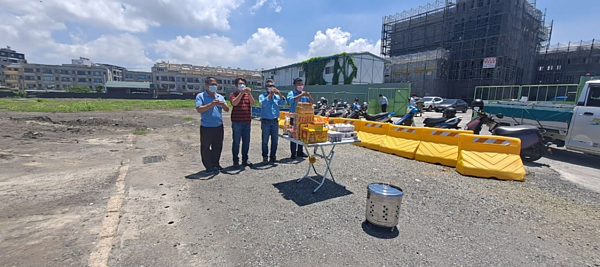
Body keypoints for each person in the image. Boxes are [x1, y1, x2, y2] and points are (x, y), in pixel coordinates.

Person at [195, 77, 229, 174]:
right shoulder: (200, 96)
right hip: (206, 127)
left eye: (215, 84)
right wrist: (211, 104)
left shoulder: (219, 96)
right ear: (206, 85)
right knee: (205, 147)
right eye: (212, 84)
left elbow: (227, 109)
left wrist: (223, 104)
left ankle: (216, 164)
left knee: (217, 146)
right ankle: (208, 166)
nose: (214, 86)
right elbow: (199, 109)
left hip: (218, 126)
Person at [259, 79, 287, 163]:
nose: (271, 87)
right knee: (265, 141)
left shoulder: (276, 97)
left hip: (275, 121)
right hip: (265, 122)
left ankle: (273, 156)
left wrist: (279, 93)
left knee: (275, 141)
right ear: (266, 88)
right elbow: (263, 104)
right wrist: (269, 95)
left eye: (272, 86)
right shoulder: (262, 96)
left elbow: (284, 102)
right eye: (269, 86)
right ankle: (265, 156)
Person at [229, 78, 255, 167]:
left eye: (243, 84)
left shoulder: (248, 95)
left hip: (247, 122)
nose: (242, 85)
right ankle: (235, 160)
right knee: (236, 142)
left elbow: (253, 103)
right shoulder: (233, 94)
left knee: (246, 142)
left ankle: (245, 159)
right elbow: (234, 103)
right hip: (237, 122)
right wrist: (241, 93)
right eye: (240, 84)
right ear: (236, 86)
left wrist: (249, 93)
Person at [287, 78, 314, 159]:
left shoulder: (304, 94)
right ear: (294, 85)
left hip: (303, 118)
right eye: (298, 84)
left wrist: (309, 96)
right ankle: (293, 152)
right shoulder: (291, 93)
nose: (300, 86)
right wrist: (300, 95)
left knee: (302, 134)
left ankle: (300, 151)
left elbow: (311, 102)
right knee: (294, 135)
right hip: (294, 117)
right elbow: (290, 100)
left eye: (301, 84)